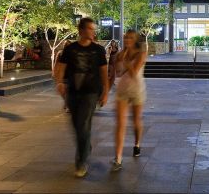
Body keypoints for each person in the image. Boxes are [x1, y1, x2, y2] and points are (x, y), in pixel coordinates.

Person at [54, 17, 109, 178]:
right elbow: (61, 68)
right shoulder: (70, 49)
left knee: (83, 124)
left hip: (91, 93)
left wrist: (105, 92)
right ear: (82, 30)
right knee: (77, 126)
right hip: (73, 92)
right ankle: (86, 146)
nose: (93, 32)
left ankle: (81, 161)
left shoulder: (98, 50)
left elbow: (104, 72)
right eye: (90, 29)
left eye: (93, 29)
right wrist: (59, 82)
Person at [112, 30, 147, 171]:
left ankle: (137, 144)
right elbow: (118, 72)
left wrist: (125, 60)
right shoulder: (121, 54)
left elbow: (134, 72)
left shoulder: (141, 54)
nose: (127, 40)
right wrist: (118, 59)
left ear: (136, 40)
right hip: (122, 90)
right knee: (120, 124)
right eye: (126, 37)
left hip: (137, 90)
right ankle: (118, 158)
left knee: (136, 121)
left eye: (130, 38)